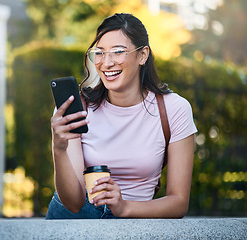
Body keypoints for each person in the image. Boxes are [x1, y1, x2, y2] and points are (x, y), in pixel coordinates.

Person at [46, 13, 197, 219]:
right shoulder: (77, 108)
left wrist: (125, 207)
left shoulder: (174, 109)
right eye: (99, 53)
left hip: (136, 219)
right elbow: (73, 203)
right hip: (76, 219)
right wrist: (58, 147)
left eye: (117, 52)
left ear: (142, 55)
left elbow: (178, 202)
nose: (106, 63)